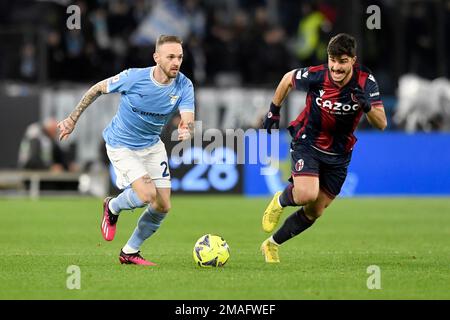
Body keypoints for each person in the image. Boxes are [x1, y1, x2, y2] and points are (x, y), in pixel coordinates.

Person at [57, 35, 195, 266]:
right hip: (122, 145)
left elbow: (188, 118)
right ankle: (112, 206)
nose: (176, 62)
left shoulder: (184, 85)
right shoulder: (133, 77)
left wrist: (186, 129)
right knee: (146, 195)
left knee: (163, 205)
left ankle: (130, 251)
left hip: (152, 146)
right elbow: (97, 89)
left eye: (179, 57)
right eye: (170, 57)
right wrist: (72, 119)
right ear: (156, 57)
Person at [260, 33, 387, 263]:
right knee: (306, 194)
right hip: (308, 141)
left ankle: (271, 245)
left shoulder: (366, 81)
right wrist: (273, 110)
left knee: (315, 211)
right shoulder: (317, 74)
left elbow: (382, 124)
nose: (336, 67)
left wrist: (367, 106)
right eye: (333, 61)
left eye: (342, 61)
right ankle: (280, 200)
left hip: (340, 153)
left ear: (353, 60)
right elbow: (288, 78)